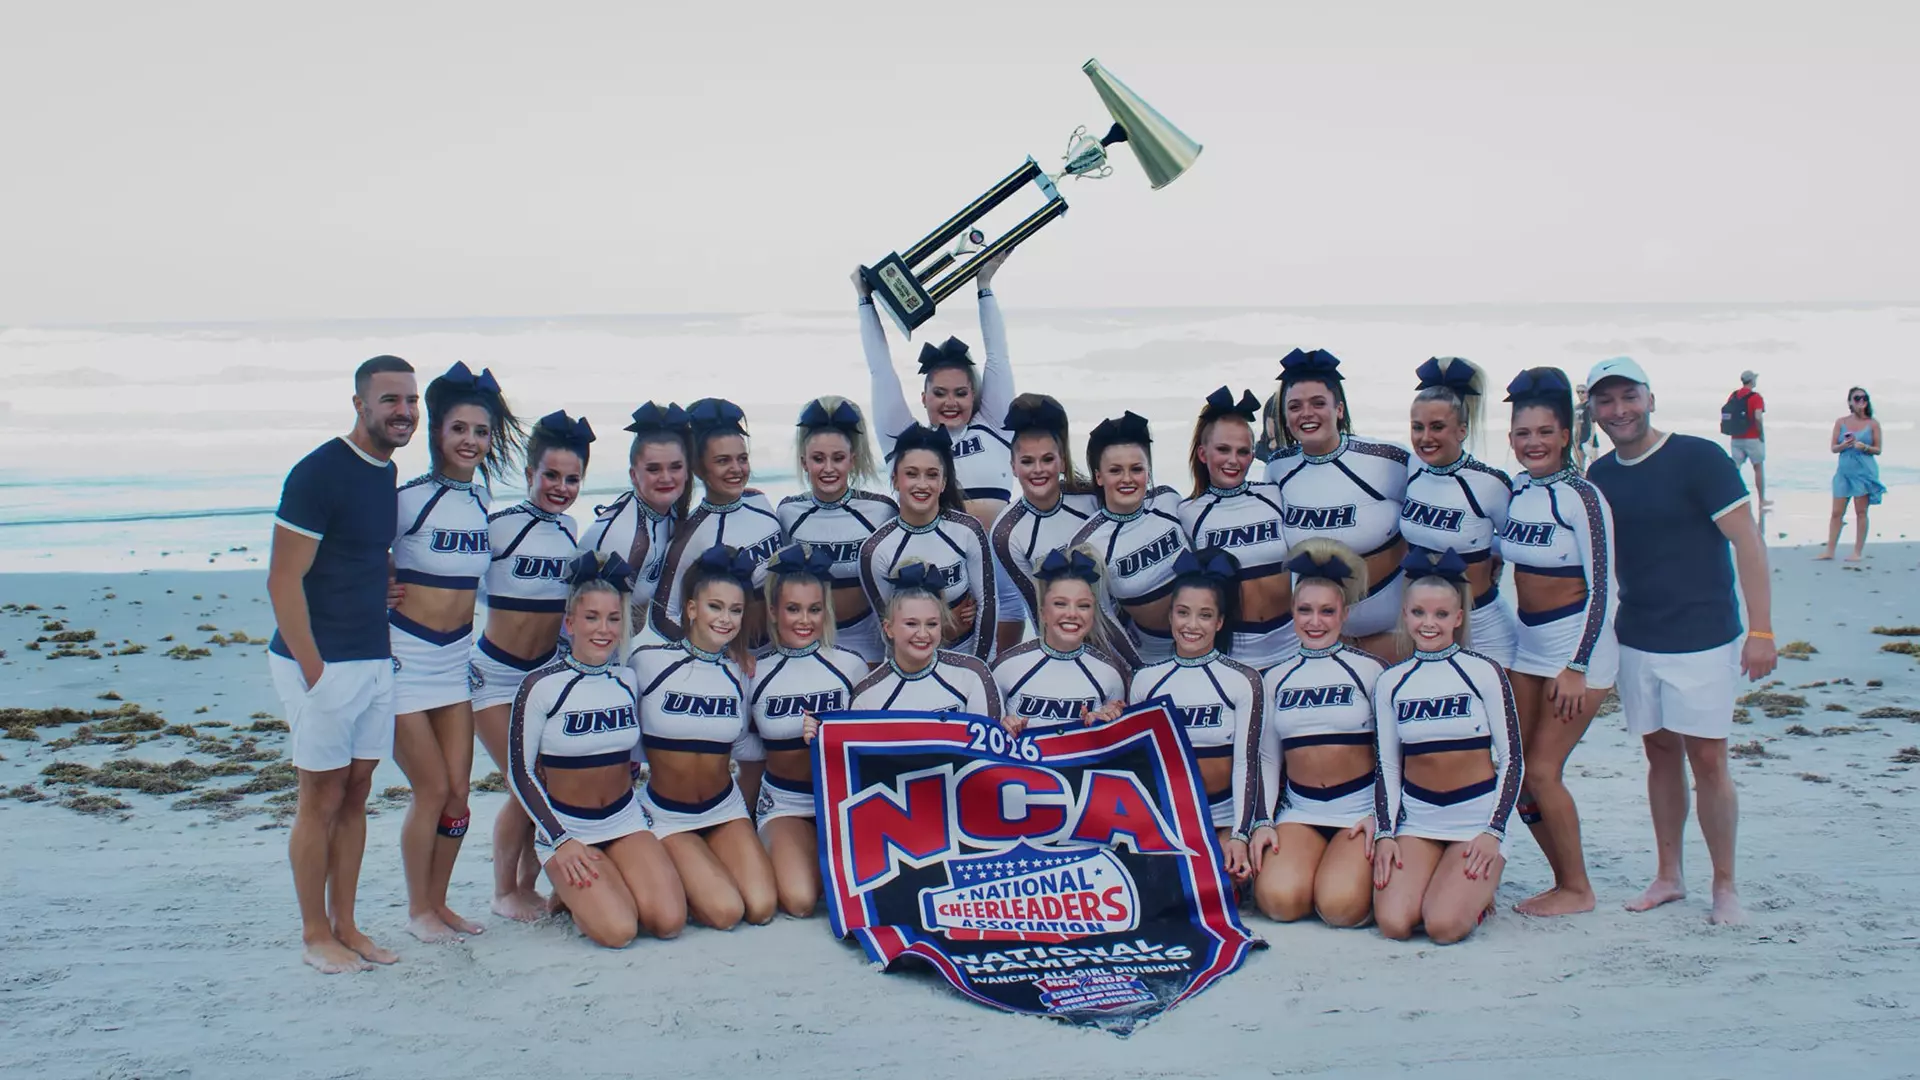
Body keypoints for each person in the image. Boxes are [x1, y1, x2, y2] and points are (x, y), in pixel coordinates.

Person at [1586, 356, 1777, 926]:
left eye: (1629, 397)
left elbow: (1748, 542)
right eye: (1606, 401)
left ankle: (1725, 887)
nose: (1619, 410)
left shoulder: (1700, 457)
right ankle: (1669, 877)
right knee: (1659, 755)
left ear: (1650, 397)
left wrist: (1761, 631)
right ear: (1593, 411)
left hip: (1705, 637)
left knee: (1710, 761)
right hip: (1638, 638)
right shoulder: (1601, 476)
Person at [266, 354, 415, 973]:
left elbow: (360, 549)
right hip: (321, 661)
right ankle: (313, 934)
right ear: (359, 404)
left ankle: (347, 924)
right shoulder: (318, 472)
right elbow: (282, 581)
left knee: (357, 794)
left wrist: (379, 580)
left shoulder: (386, 471)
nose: (403, 412)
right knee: (319, 798)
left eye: (410, 401)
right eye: (389, 401)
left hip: (373, 656)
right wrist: (315, 671)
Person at [390, 361, 525, 943]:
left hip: (455, 663)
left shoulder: (479, 506)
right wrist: (375, 582)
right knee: (431, 789)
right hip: (402, 660)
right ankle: (418, 908)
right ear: (437, 434)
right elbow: (351, 551)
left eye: (481, 431)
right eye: (459, 429)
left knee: (461, 795)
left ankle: (440, 903)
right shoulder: (408, 499)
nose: (471, 441)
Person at [507, 555, 686, 947]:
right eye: (591, 618)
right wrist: (560, 839)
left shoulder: (627, 680)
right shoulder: (540, 685)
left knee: (669, 922)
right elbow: (519, 773)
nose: (603, 629)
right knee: (620, 932)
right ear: (570, 623)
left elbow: (635, 759)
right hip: (569, 829)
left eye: (613, 618)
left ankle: (604, 882)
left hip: (624, 822)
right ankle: (576, 891)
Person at [857, 254, 1026, 653]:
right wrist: (865, 301)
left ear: (977, 395)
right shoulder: (909, 444)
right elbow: (881, 372)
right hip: (941, 574)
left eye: (961, 393)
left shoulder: (995, 426)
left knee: (995, 667)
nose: (950, 403)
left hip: (1001, 574)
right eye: (940, 393)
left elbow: (998, 357)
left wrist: (984, 286)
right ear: (924, 397)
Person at [1497, 366, 1617, 917]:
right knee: (1516, 772)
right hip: (1529, 650)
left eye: (1545, 432)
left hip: (1578, 654)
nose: (1534, 443)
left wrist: (1577, 664)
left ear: (1566, 435)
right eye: (1523, 434)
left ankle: (1578, 888)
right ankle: (1561, 878)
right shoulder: (1518, 490)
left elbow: (1604, 589)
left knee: (1543, 771)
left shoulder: (1582, 497)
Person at [470, 410, 592, 923]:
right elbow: (454, 582)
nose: (561, 488)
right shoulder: (498, 528)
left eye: (572, 479)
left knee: (541, 780)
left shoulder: (572, 533)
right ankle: (504, 891)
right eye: (551, 476)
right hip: (494, 678)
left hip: (542, 681)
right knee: (524, 783)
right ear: (528, 473)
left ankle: (525, 885)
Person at [1370, 550, 1523, 945]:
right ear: (1405, 615)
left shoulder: (1483, 672)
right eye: (1419, 612)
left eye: (1441, 614)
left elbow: (1512, 759)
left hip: (1476, 821)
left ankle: (1470, 893)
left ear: (1458, 618)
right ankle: (1445, 878)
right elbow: (1387, 765)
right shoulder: (1392, 682)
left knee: (1443, 927)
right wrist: (1386, 832)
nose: (1429, 623)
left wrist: (1494, 831)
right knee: (1394, 924)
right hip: (1420, 822)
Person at [630, 545, 778, 929]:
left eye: (736, 609)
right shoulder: (647, 660)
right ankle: (669, 867)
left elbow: (748, 749)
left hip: (723, 810)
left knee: (761, 907)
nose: (726, 619)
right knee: (726, 912)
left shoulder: (740, 672)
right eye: (715, 607)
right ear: (692, 609)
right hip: (667, 814)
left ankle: (700, 864)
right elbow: (618, 737)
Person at [1238, 541, 1384, 928]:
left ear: (1344, 614)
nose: (1315, 621)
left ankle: (1340, 872)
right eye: (1305, 610)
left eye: (1326, 611)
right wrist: (1264, 821)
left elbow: (1393, 754)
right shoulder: (1274, 678)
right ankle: (1317, 866)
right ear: (1292, 613)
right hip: (1301, 811)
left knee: (1339, 908)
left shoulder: (1370, 672)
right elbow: (1268, 758)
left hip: (1358, 811)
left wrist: (1380, 816)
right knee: (1279, 902)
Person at [740, 544, 868, 917]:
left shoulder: (851, 666)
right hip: (785, 805)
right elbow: (746, 753)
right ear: (774, 611)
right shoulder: (753, 673)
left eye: (814, 609)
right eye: (793, 609)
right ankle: (786, 849)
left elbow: (875, 740)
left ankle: (816, 852)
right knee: (799, 901)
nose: (804, 620)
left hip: (843, 804)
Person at [1265, 349, 1412, 660]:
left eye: (1318, 403)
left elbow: (1435, 510)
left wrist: (1490, 552)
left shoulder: (1387, 459)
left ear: (1340, 409)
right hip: (1321, 643)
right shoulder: (1278, 468)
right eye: (1295, 406)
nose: (1307, 413)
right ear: (1285, 417)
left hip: (1396, 637)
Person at [1128, 549, 1264, 851]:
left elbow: (1248, 763)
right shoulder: (1145, 682)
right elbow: (1139, 764)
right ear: (1170, 616)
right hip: (1168, 825)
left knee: (1220, 887)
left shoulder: (1243, 680)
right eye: (1183, 612)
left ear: (1219, 622)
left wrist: (1241, 835)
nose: (1191, 625)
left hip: (1225, 824)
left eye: (1205, 615)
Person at [1403, 357, 1516, 668]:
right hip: (1424, 629)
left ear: (1462, 430)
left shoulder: (1489, 483)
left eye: (1437, 427)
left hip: (1482, 627)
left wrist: (1494, 554)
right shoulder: (1410, 470)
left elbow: (1519, 542)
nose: (1426, 437)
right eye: (1417, 427)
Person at [649, 398, 784, 648]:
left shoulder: (760, 501)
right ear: (699, 468)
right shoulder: (691, 535)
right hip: (741, 664)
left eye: (742, 459)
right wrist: (712, 654)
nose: (737, 469)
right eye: (723, 461)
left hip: (785, 654)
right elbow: (662, 616)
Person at [858, 423, 996, 661]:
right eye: (911, 474)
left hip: (965, 657)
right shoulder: (875, 550)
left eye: (932, 475)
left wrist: (981, 669)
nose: (922, 484)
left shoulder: (967, 531)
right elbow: (888, 628)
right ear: (895, 479)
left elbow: (988, 605)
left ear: (943, 483)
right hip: (912, 667)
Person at [777, 397, 898, 662]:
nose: (829, 468)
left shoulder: (882, 511)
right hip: (810, 639)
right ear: (804, 462)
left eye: (838, 458)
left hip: (869, 640)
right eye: (818, 459)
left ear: (852, 460)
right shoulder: (788, 513)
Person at [1180, 389, 1294, 668]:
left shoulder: (1275, 495)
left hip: (1294, 647)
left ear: (1253, 455)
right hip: (1235, 659)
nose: (1233, 460)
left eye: (1243, 452)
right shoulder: (1187, 513)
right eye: (1223, 450)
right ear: (1203, 454)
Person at [1074, 411, 1190, 667]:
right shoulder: (1087, 544)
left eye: (1136, 469)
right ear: (1099, 477)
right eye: (1115, 470)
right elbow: (1104, 622)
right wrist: (1138, 670)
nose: (1127, 479)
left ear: (1148, 472)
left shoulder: (1169, 501)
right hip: (1149, 658)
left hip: (1205, 644)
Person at [577, 402, 692, 635]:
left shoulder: (665, 513)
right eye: (653, 469)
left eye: (675, 467)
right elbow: (597, 628)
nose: (666, 477)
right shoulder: (628, 538)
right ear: (633, 475)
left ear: (688, 470)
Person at [992, 548, 1130, 734]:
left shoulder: (1110, 674)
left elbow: (1116, 747)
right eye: (1060, 604)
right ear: (1043, 613)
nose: (1072, 614)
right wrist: (1002, 726)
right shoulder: (1005, 666)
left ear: (1093, 613)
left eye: (1083, 606)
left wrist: (1104, 723)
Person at [991, 394, 1099, 627]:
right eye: (1027, 461)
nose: (1038, 470)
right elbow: (1038, 611)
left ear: (1061, 461)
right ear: (1013, 467)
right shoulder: (1006, 533)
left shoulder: (1091, 499)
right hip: (1065, 637)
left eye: (1047, 459)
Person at [846, 564, 1002, 714]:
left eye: (932, 624)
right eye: (911, 624)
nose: (922, 634)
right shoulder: (867, 694)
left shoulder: (973, 674)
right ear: (888, 629)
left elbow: (994, 737)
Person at [1818, 386, 1884, 562]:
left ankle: (1857, 552)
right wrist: (1844, 445)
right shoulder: (1841, 422)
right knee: (1836, 512)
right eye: (1857, 398)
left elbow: (1878, 450)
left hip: (1864, 472)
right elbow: (1833, 448)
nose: (1861, 401)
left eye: (1864, 398)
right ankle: (1829, 550)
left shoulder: (1873, 423)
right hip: (1844, 472)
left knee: (1861, 512)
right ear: (1850, 402)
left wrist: (1865, 447)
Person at [1721, 370, 1768, 507]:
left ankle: (1731, 498)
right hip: (1752, 437)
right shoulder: (1756, 397)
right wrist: (1761, 434)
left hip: (1736, 437)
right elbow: (1758, 417)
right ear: (1752, 381)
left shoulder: (1734, 395)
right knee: (1758, 468)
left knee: (1735, 469)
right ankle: (1761, 500)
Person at [1573, 383, 1599, 473]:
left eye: (1582, 392)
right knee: (1579, 466)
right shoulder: (1576, 407)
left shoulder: (1590, 405)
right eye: (1578, 392)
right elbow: (1575, 424)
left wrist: (1591, 439)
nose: (1580, 394)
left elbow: (1592, 423)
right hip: (1579, 439)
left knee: (1595, 464)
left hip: (1589, 437)